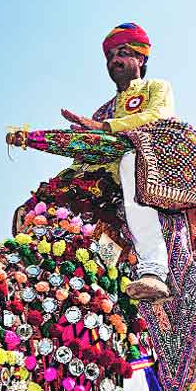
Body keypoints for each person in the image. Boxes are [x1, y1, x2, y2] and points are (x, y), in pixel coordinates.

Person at [61, 22, 173, 300]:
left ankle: (153, 269)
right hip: (105, 180)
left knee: (129, 162)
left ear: (141, 58)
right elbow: (85, 156)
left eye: (122, 53)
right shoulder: (103, 110)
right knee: (58, 197)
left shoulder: (156, 88)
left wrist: (106, 128)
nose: (114, 61)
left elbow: (158, 116)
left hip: (147, 162)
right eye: (110, 56)